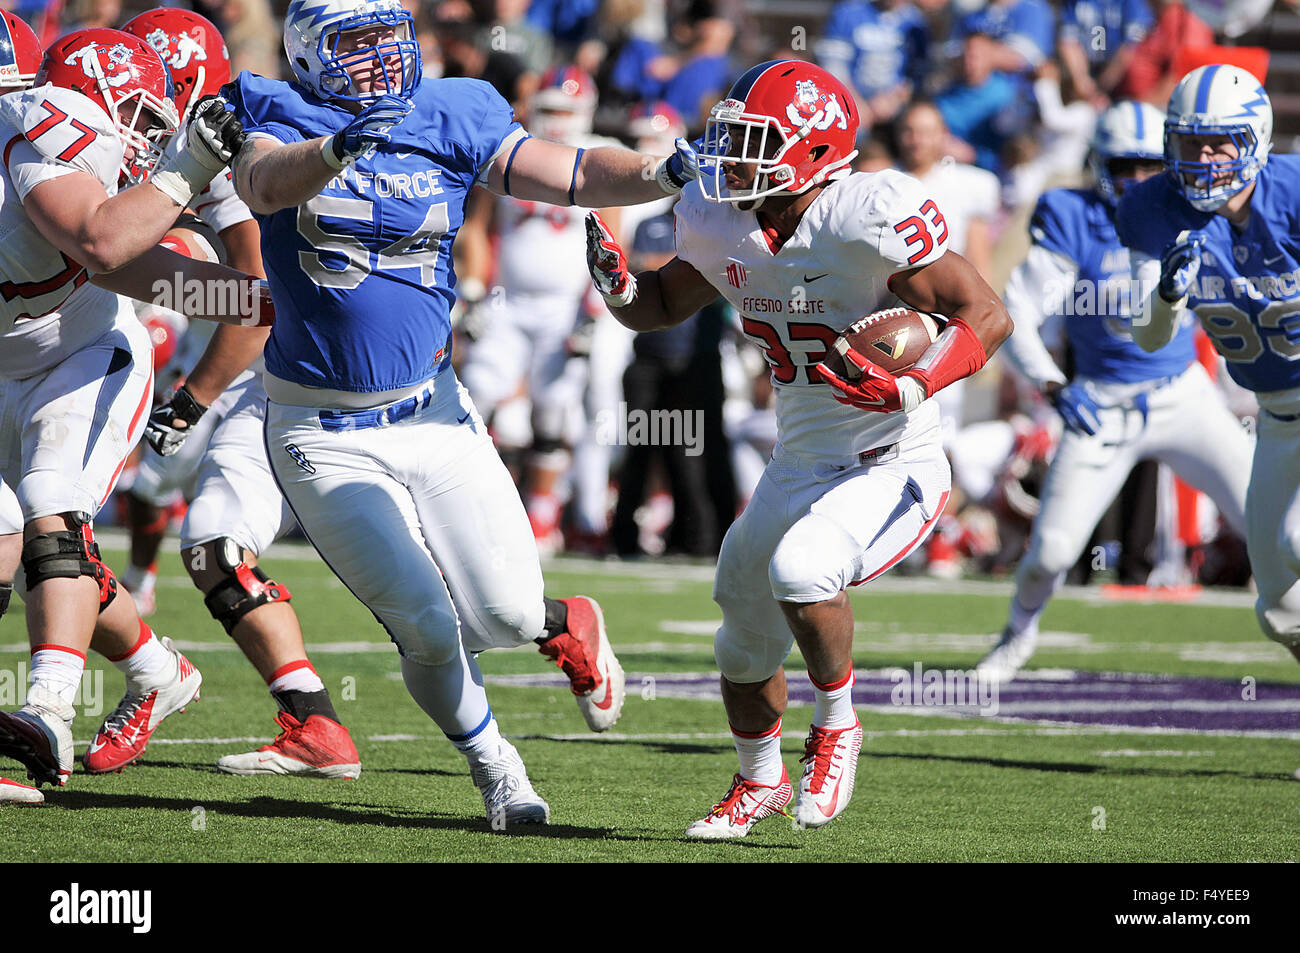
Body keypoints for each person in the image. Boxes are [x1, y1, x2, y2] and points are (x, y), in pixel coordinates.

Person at [221, 0, 698, 826]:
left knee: (511, 614)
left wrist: (662, 174)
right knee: (429, 627)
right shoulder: (273, 106)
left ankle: (568, 618)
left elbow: (574, 171)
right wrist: (337, 149)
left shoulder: (450, 108)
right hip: (318, 431)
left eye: (386, 41)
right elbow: (263, 182)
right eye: (353, 46)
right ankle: (496, 764)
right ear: (306, 55)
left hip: (433, 411)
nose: (377, 63)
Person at [586, 59, 1012, 837]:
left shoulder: (865, 214)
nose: (731, 159)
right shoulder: (723, 218)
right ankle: (759, 781)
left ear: (815, 150)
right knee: (741, 631)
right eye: (731, 139)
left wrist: (913, 384)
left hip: (894, 457)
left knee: (801, 568)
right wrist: (620, 289)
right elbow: (660, 305)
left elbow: (985, 314)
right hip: (800, 460)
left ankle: (839, 725)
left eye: (752, 143)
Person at [95, 6, 367, 779]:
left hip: (283, 371)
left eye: (159, 87)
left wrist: (189, 397)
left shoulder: (234, 156)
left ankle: (554, 624)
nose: (140, 104)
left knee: (468, 598)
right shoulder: (124, 138)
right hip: (229, 352)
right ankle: (314, 723)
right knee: (204, 542)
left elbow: (255, 297)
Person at [0, 28, 256, 790]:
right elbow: (109, 244)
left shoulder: (46, 127)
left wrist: (256, 302)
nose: (147, 142)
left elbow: (116, 254)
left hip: (79, 357)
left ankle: (45, 715)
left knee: (50, 516)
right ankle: (155, 666)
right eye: (139, 119)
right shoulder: (44, 116)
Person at [977, 100, 1252, 681]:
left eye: (1147, 164)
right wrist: (1053, 384)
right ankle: (1016, 637)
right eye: (1122, 163)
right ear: (1097, 161)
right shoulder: (1072, 213)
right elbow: (1018, 310)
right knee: (1050, 551)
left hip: (1183, 395)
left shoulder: (1193, 208)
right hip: (1101, 403)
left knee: (1275, 524)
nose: (1133, 179)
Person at [1116, 66, 1300, 756]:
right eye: (1190, 145)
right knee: (1280, 607)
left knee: (1297, 543)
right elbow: (1148, 336)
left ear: (1254, 139)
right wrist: (1166, 292)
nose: (1203, 160)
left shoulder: (1293, 193)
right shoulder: (1152, 210)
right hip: (1275, 412)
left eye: (1219, 144)